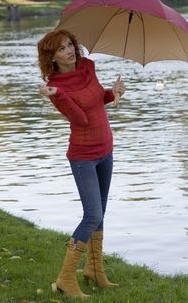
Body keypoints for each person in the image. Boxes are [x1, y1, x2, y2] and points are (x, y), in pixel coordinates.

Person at [37, 29, 125, 299]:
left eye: (70, 45)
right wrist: (57, 95)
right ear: (52, 59)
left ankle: (95, 272)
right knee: (92, 215)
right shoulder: (56, 86)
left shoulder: (88, 67)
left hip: (106, 149)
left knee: (101, 214)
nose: (70, 51)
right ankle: (65, 278)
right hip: (83, 156)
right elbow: (80, 118)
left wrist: (113, 92)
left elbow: (98, 100)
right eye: (61, 49)